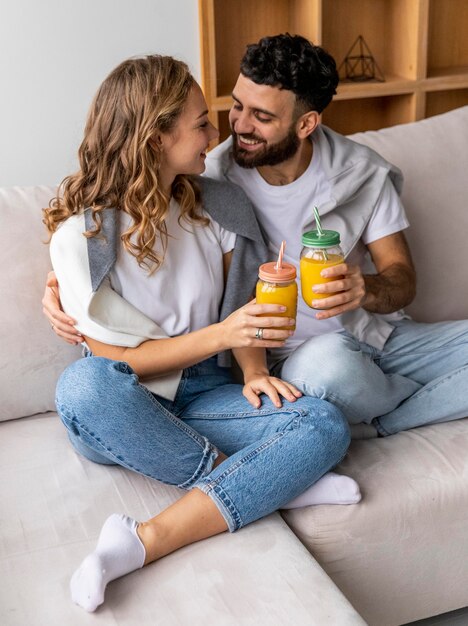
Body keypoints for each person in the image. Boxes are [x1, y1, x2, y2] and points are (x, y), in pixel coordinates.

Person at [43, 54, 354, 613]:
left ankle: (141, 539)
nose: (218, 135)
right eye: (200, 123)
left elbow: (243, 310)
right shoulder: (81, 236)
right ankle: (270, 483)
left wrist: (256, 373)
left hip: (206, 392)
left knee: (323, 422)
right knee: (81, 386)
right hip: (127, 404)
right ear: (156, 135)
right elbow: (116, 359)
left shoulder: (217, 206)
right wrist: (218, 336)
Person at [45, 34, 468, 438]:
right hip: (303, 356)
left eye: (262, 117)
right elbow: (115, 224)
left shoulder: (362, 173)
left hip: (376, 333)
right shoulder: (206, 176)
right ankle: (382, 406)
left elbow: (402, 279)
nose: (237, 127)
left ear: (306, 123)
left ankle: (387, 413)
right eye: (236, 107)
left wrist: (366, 289)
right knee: (333, 373)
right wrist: (58, 288)